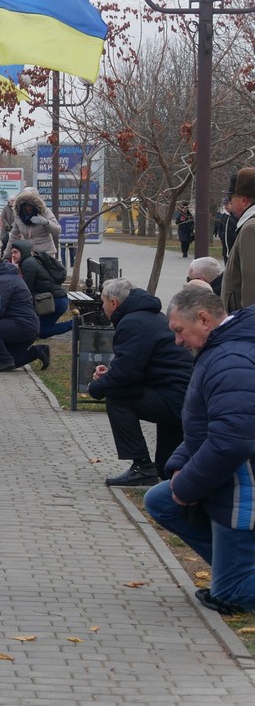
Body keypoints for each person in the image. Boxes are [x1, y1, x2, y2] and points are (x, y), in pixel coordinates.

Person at [145, 286, 255, 614]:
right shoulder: (219, 350)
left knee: (230, 596)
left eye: (180, 331)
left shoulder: (230, 358)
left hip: (241, 489)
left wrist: (187, 487)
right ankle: (234, 568)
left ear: (204, 319)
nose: (177, 341)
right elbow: (204, 423)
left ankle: (235, 578)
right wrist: (180, 466)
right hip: (229, 479)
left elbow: (231, 441)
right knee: (160, 500)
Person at [87, 278, 193, 487]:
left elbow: (126, 375)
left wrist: (96, 388)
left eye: (103, 302)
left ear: (114, 303)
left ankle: (142, 466)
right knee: (165, 468)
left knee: (118, 399)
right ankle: (164, 470)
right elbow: (137, 366)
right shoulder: (149, 316)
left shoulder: (132, 322)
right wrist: (110, 375)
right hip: (180, 393)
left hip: (175, 397)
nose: (102, 307)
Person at [0, 259, 44, 372]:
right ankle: (38, 351)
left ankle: (5, 360)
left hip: (22, 325)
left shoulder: (3, 281)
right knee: (13, 361)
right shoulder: (9, 277)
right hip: (28, 326)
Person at [221, 167, 255, 312]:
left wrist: (247, 324)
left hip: (245, 321)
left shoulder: (250, 229)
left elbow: (251, 280)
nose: (229, 202)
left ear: (243, 200)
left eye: (231, 197)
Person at [7, 188, 60, 257]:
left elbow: (57, 231)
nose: (28, 208)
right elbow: (13, 236)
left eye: (31, 205)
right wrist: (6, 255)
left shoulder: (45, 212)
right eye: (25, 205)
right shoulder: (19, 216)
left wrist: (46, 223)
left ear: (36, 204)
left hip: (45, 255)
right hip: (27, 254)